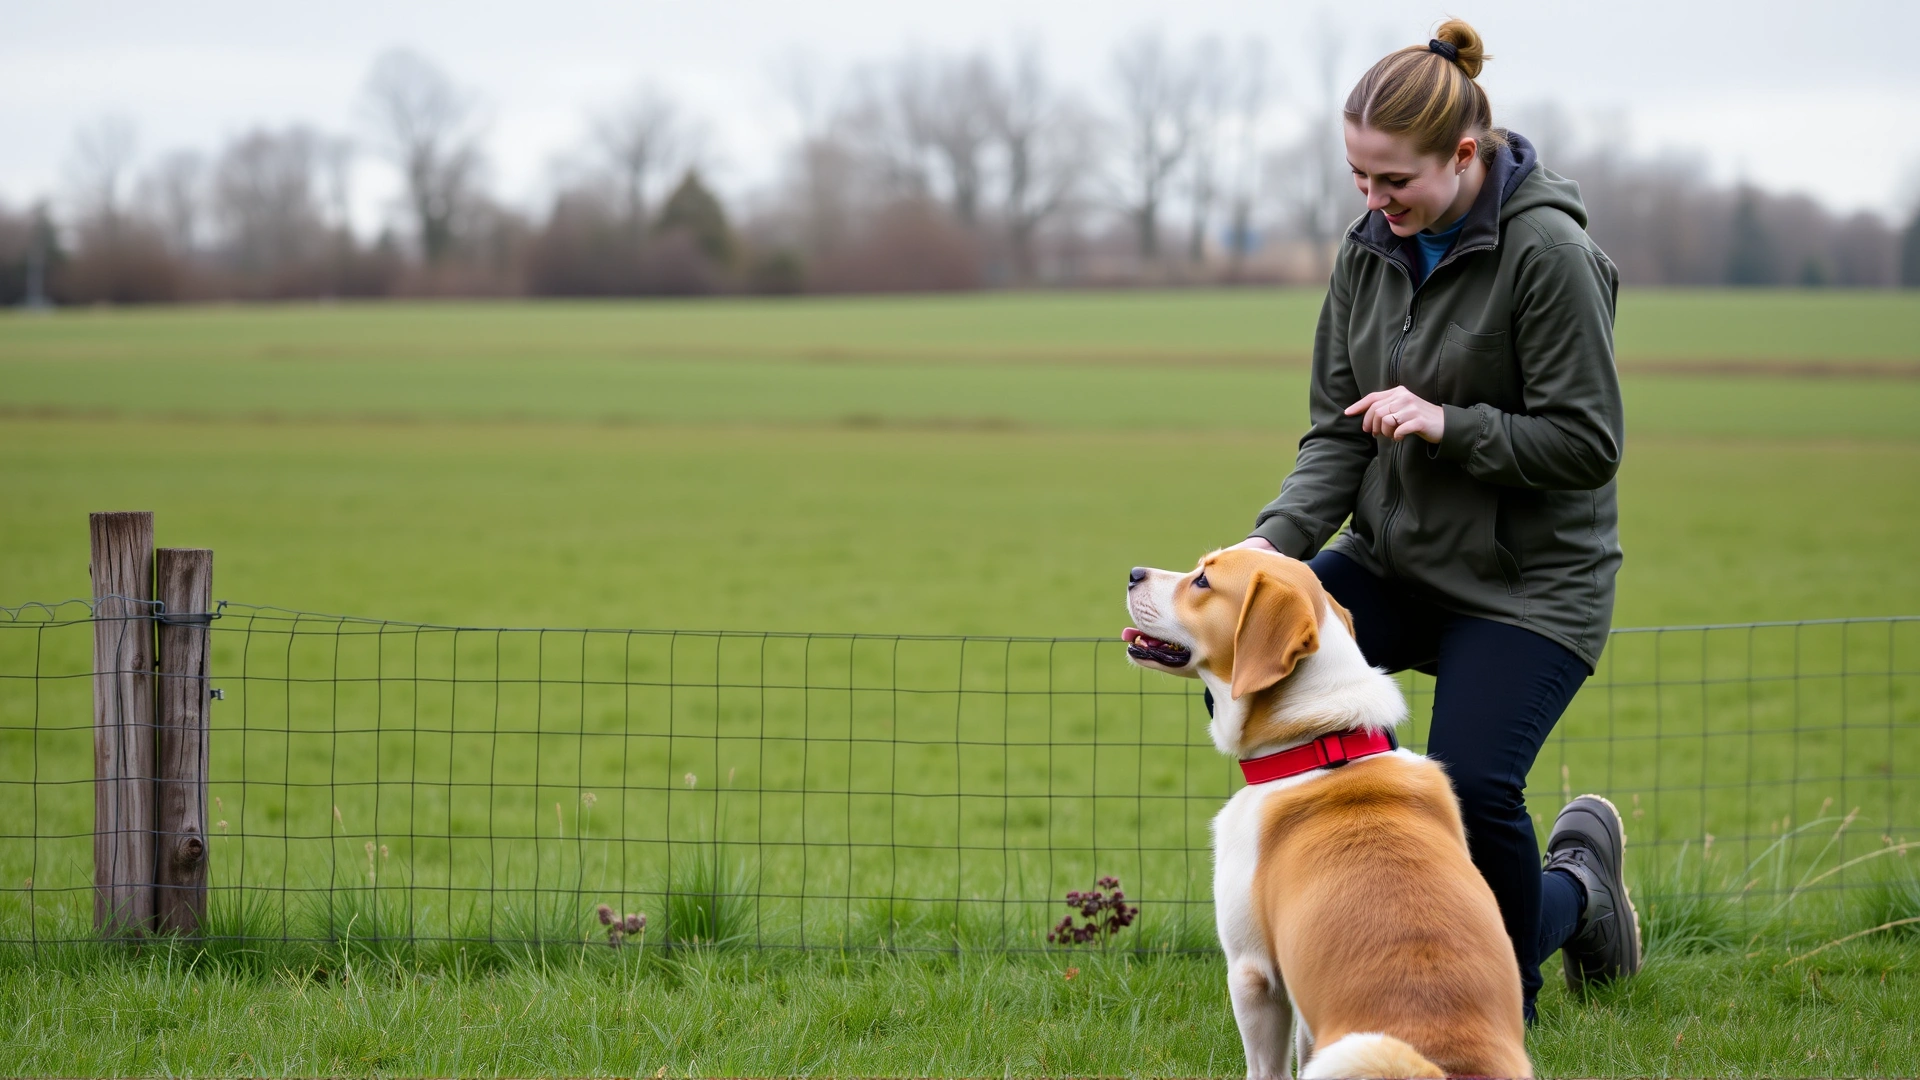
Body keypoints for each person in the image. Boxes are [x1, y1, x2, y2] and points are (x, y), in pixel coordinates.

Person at [1228, 19, 1638, 1023]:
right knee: (1248, 651)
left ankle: (1564, 912)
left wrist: (1449, 424)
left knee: (1468, 786)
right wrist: (1268, 548)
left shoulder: (1551, 255)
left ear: (1464, 155)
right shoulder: (1368, 252)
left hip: (1529, 585)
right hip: (1397, 561)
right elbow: (1337, 434)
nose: (1372, 204)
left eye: (1392, 182)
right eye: (1358, 180)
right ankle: (1347, 937)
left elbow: (1588, 445)